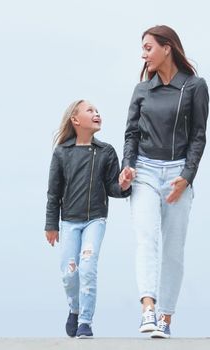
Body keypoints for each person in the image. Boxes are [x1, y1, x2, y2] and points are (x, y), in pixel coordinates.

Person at [119, 25, 209, 338]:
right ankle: (147, 308)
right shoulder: (142, 90)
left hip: (177, 176)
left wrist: (186, 177)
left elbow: (199, 136)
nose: (143, 54)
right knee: (146, 240)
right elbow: (131, 133)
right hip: (143, 172)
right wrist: (127, 166)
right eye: (143, 49)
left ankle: (165, 319)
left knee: (173, 249)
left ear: (167, 47)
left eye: (148, 47)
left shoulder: (195, 87)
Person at [45, 100, 132, 338]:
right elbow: (53, 192)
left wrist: (124, 184)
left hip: (96, 220)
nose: (97, 113)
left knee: (88, 268)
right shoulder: (62, 153)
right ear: (75, 120)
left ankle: (85, 321)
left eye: (97, 110)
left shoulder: (106, 152)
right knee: (69, 273)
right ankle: (74, 309)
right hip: (69, 221)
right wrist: (51, 224)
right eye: (90, 110)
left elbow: (113, 188)